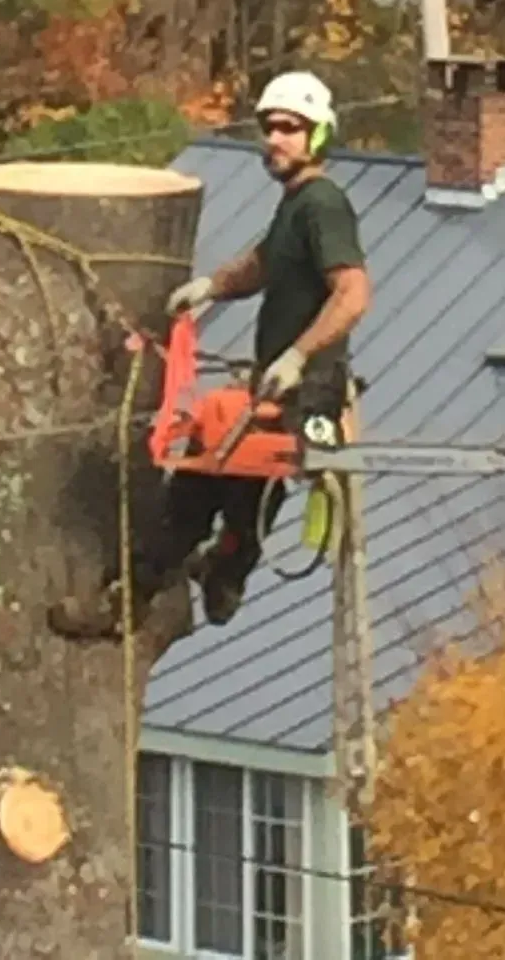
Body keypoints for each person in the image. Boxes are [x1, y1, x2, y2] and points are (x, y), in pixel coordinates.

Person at [161, 70, 370, 625]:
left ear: (318, 136)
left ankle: (203, 573)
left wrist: (299, 355)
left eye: (290, 129)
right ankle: (215, 571)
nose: (275, 139)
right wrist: (212, 287)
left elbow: (352, 293)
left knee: (215, 489)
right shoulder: (296, 206)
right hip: (278, 383)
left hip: (304, 389)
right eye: (270, 128)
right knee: (227, 488)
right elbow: (263, 261)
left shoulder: (323, 204)